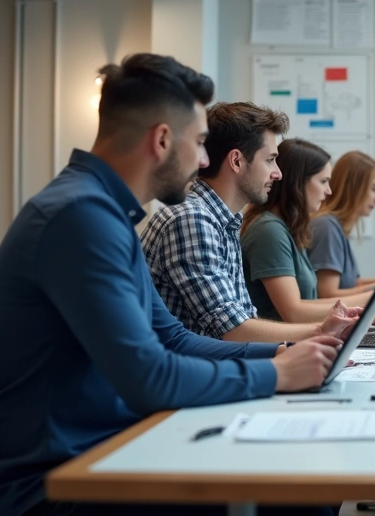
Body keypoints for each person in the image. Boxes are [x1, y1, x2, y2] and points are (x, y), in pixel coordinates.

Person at [0, 54, 340, 516]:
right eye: (201, 144)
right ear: (162, 140)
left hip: (104, 449)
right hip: (55, 493)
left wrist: (284, 352)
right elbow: (149, 378)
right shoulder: (79, 218)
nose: (205, 161)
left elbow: (171, 337)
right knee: (302, 503)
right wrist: (275, 373)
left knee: (305, 483)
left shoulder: (102, 211)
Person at [142, 102, 361, 343]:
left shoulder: (224, 221)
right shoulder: (192, 219)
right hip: (191, 374)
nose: (277, 173)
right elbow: (234, 331)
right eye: (270, 160)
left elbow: (246, 317)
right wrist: (321, 332)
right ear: (236, 161)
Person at [241, 139, 375, 321]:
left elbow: (310, 303)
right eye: (323, 181)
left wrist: (358, 306)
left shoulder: (289, 229)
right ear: (298, 183)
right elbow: (294, 312)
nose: (329, 192)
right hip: (282, 345)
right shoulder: (268, 230)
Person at [309, 150, 375, 303]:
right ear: (353, 188)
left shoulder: (336, 226)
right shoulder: (327, 227)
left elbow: (350, 284)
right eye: (374, 189)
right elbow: (328, 295)